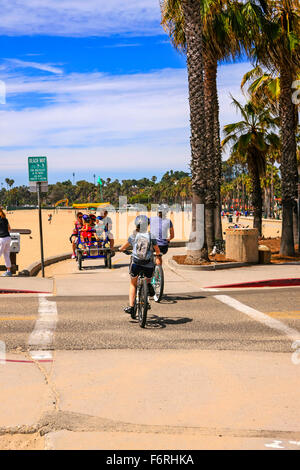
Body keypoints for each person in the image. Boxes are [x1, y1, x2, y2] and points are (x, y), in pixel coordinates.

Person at [120, 215, 161, 315]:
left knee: (133, 283)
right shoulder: (151, 236)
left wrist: (121, 249)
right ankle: (148, 285)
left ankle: (131, 306)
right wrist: (158, 255)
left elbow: (123, 247)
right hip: (148, 264)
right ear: (147, 225)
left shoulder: (133, 235)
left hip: (136, 263)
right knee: (148, 278)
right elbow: (157, 250)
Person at [0, 207, 12, 277]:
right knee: (6, 255)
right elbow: (9, 228)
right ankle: (9, 271)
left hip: (2, 239)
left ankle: (8, 271)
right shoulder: (5, 219)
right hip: (8, 238)